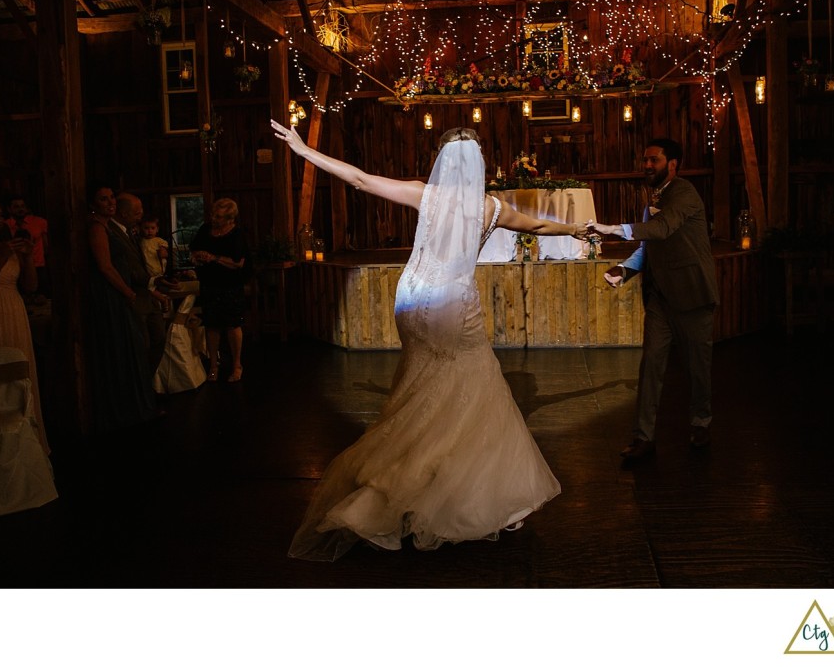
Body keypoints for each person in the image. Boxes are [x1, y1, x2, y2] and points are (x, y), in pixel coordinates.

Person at [272, 119, 589, 561]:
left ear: (442, 160)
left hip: (412, 299)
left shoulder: (425, 194)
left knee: (420, 384)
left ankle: (405, 475)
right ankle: (448, 489)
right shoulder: (491, 209)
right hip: (453, 305)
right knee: (472, 386)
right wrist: (574, 230)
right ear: (479, 162)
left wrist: (305, 151)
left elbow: (360, 179)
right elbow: (537, 227)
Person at [588, 138, 718, 463]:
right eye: (645, 160)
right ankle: (643, 437)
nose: (647, 165)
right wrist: (625, 269)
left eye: (654, 160)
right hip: (660, 297)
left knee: (698, 368)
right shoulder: (655, 199)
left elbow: (661, 229)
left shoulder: (684, 193)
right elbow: (649, 247)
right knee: (650, 366)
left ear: (672, 164)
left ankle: (701, 422)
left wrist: (613, 228)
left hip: (692, 294)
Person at [0, 191, 50, 454]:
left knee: (19, 377)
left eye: (0, 216)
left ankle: (27, 446)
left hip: (14, 314)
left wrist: (27, 257)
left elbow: (31, 286)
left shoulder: (8, 245)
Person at [84, 181, 156, 432]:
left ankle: (136, 407)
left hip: (119, 293)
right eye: (103, 199)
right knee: (122, 349)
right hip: (111, 295)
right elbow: (104, 266)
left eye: (112, 197)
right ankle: (124, 411)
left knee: (131, 349)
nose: (110, 202)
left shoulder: (108, 226)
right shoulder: (96, 228)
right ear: (93, 204)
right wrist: (127, 291)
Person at [189, 198, 251, 383]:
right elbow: (194, 250)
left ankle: (237, 365)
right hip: (209, 283)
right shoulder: (205, 229)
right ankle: (213, 365)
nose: (213, 219)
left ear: (230, 219)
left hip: (230, 285)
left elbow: (238, 262)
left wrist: (214, 258)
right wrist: (198, 256)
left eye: (218, 217)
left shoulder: (236, 235)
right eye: (213, 215)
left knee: (232, 324)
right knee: (211, 325)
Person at [113, 193, 170, 378]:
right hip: (135, 295)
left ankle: (148, 379)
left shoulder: (134, 233)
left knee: (159, 339)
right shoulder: (116, 234)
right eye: (137, 213)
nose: (141, 216)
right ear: (124, 213)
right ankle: (141, 382)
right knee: (142, 343)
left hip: (150, 293)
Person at [4, 195, 49, 298]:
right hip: (16, 266)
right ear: (9, 209)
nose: (20, 209)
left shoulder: (39, 222)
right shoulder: (5, 226)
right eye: (16, 206)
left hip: (38, 265)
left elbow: (46, 244)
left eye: (22, 206)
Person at [139, 215, 170, 282]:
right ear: (141, 229)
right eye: (146, 228)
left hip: (156, 268)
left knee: (159, 281)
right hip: (145, 269)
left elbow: (165, 254)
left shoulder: (159, 241)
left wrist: (162, 251)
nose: (150, 231)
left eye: (153, 228)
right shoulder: (141, 241)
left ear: (157, 229)